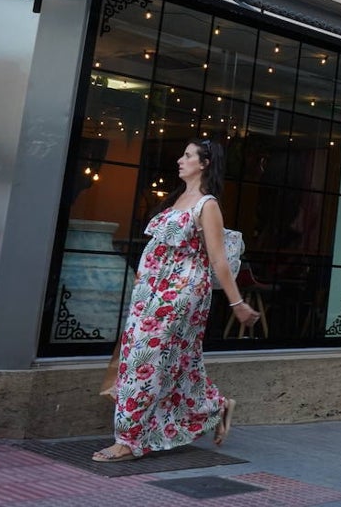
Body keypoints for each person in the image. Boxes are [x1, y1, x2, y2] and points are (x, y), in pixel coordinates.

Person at [92, 138, 260, 462]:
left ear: (205, 163)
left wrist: (236, 303)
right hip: (151, 294)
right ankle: (215, 406)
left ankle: (127, 440)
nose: (180, 160)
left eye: (188, 155)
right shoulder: (178, 199)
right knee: (176, 364)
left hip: (181, 294)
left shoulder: (207, 205)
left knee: (145, 360)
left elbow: (219, 259)